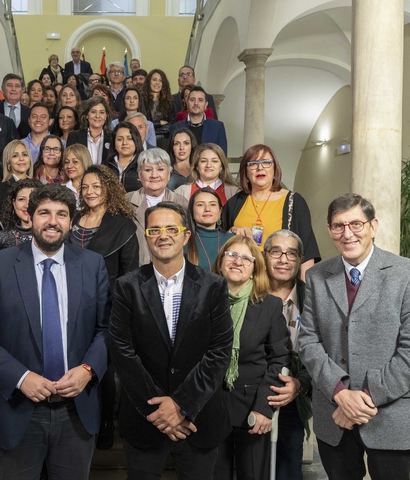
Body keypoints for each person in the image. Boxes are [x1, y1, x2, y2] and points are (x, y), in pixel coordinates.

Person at [0, 184, 110, 479]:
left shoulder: (93, 265)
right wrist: (21, 377)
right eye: (44, 212)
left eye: (62, 214)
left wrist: (87, 369)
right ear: (30, 217)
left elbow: (106, 329)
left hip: (76, 412)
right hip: (17, 409)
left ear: (71, 221)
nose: (53, 221)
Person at [298, 193, 410, 480]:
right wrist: (339, 392)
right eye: (338, 226)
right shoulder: (317, 276)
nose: (347, 234)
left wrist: (362, 398)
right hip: (334, 416)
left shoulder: (408, 274)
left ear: (373, 226)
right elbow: (308, 341)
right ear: (329, 230)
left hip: (391, 415)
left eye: (356, 224)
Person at [108, 201, 233, 479]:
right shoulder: (126, 286)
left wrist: (181, 405)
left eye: (171, 228)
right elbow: (121, 352)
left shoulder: (213, 286)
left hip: (198, 420)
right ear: (146, 238)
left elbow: (219, 351)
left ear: (186, 235)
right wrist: (160, 410)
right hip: (146, 419)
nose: (162, 235)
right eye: (154, 230)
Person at [72, 164, 139, 449]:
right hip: (71, 304)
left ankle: (105, 423)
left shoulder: (122, 224)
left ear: (109, 188)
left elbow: (129, 272)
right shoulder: (73, 218)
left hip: (107, 304)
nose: (89, 192)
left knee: (103, 367)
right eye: (85, 187)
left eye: (96, 186)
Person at [213, 235, 290, 480]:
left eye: (246, 258)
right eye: (231, 255)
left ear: (255, 268)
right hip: (208, 411)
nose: (238, 262)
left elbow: (280, 359)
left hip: (252, 411)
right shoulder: (202, 301)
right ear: (221, 261)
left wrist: (264, 408)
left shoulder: (269, 306)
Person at [222, 144, 320, 278]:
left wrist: (304, 292)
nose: (260, 167)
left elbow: (307, 252)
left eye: (266, 162)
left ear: (275, 169)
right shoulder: (234, 203)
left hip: (280, 282)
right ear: (245, 172)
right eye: (253, 163)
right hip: (243, 281)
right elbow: (221, 243)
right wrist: (231, 233)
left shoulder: (294, 202)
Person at [263, 229, 313, 480]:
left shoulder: (314, 298)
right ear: (264, 256)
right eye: (276, 251)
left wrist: (300, 384)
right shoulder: (247, 292)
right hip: (249, 396)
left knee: (288, 467)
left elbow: (324, 350)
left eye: (291, 253)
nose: (283, 259)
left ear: (300, 259)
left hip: (293, 395)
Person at [126, 148, 188, 265]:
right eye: (148, 170)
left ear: (169, 174)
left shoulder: (182, 202)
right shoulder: (126, 202)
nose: (154, 175)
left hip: (172, 268)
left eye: (160, 169)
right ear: (139, 175)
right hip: (136, 269)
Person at [186, 188, 234, 272]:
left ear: (220, 212)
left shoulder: (233, 240)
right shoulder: (184, 241)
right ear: (192, 212)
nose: (207, 209)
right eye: (200, 205)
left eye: (213, 204)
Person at [169, 87, 227, 154]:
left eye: (200, 100)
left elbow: (222, 156)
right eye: (192, 99)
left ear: (206, 104)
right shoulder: (175, 128)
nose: (196, 103)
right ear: (187, 103)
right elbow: (172, 155)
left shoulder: (218, 127)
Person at [0, 178, 42, 251]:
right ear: (14, 203)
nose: (27, 205)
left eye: (33, 199)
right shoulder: (3, 237)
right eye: (21, 199)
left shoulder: (50, 235)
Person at [66, 96, 113, 165]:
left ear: (106, 116)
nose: (97, 116)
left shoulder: (112, 138)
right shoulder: (74, 136)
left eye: (102, 112)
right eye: (93, 112)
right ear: (86, 115)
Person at [0, 140, 34, 214]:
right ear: (8, 163)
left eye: (24, 154)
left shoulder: (38, 186)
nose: (21, 159)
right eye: (15, 156)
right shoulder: (0, 189)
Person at [105, 121, 144, 192]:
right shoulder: (105, 166)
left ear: (136, 141)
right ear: (114, 143)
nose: (124, 143)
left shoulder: (145, 165)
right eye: (119, 139)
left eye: (129, 138)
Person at [0, 73, 32, 138]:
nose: (13, 89)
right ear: (2, 88)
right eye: (9, 85)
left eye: (17, 86)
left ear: (22, 90)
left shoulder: (30, 112)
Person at [142, 69, 175, 147]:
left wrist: (154, 127)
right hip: (146, 139)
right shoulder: (141, 101)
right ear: (148, 82)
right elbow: (142, 123)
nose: (157, 83)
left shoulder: (170, 101)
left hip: (165, 140)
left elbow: (172, 123)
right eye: (154, 80)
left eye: (160, 80)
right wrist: (159, 123)